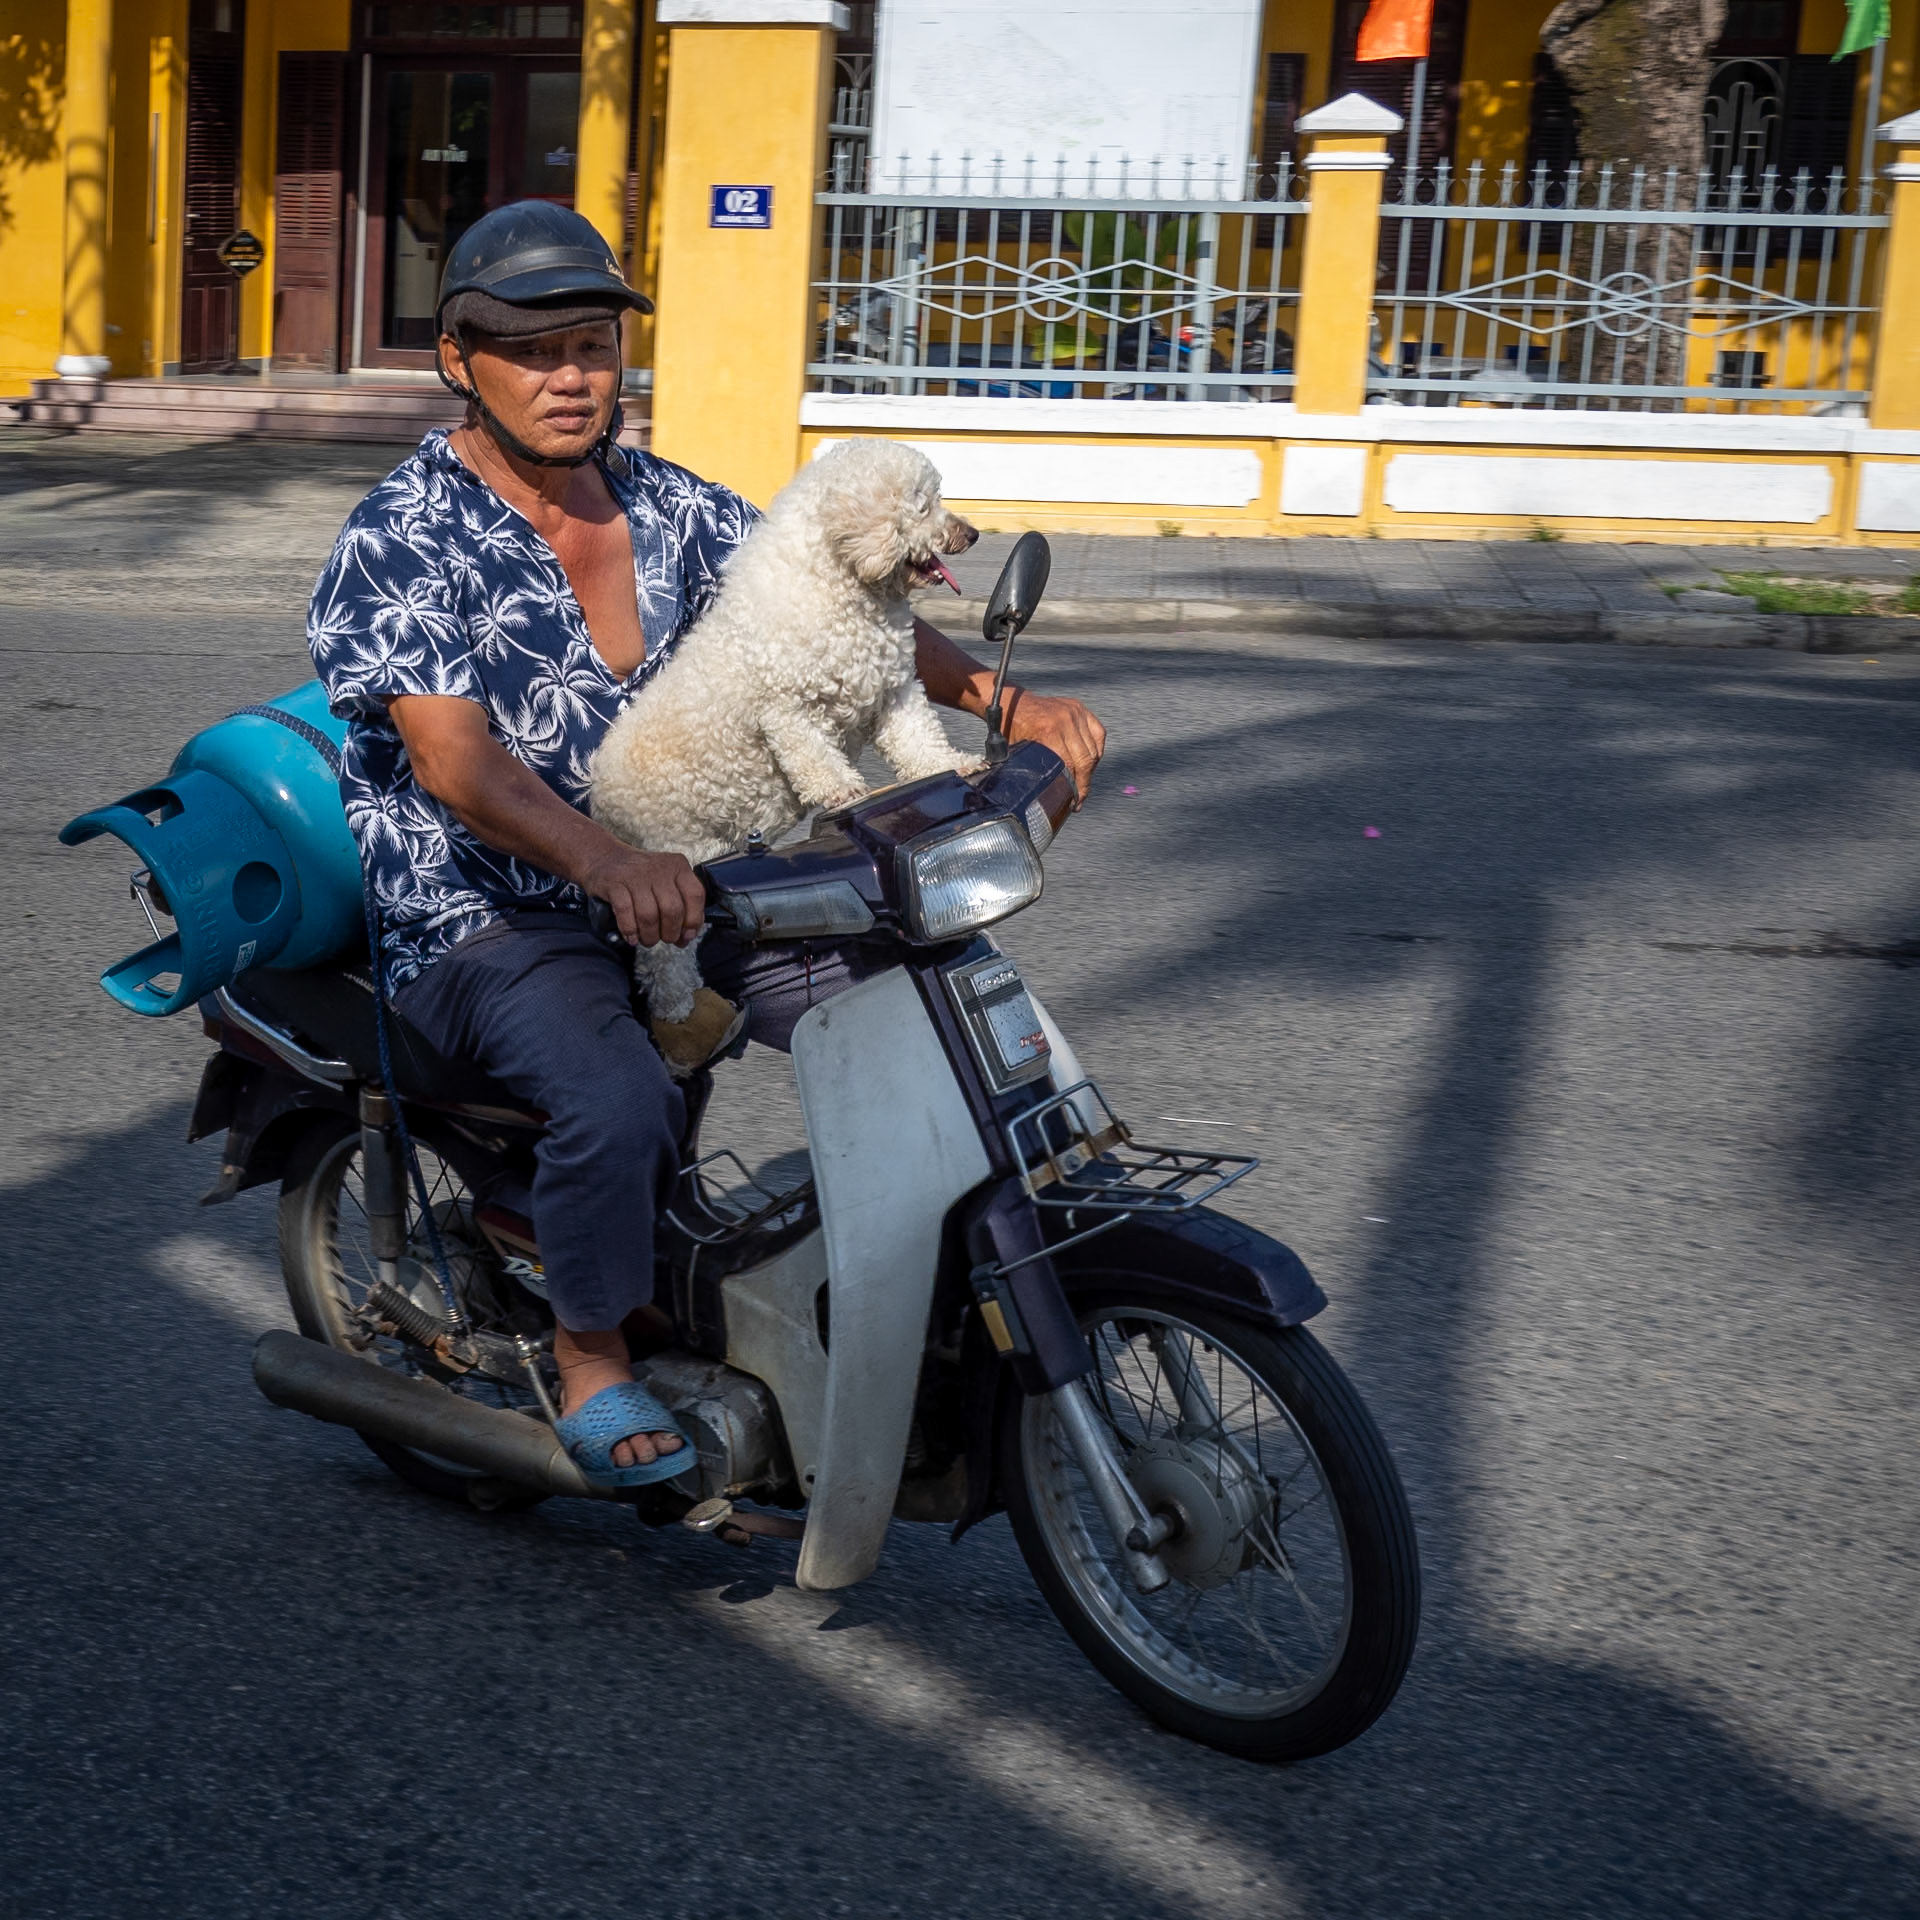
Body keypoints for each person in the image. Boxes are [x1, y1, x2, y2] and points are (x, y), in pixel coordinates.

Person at [307, 201, 1107, 1488]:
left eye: (593, 346)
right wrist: (605, 863)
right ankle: (589, 1359)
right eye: (532, 349)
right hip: (488, 909)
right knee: (616, 1088)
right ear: (460, 359)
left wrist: (1008, 707)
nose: (571, 375)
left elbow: (849, 607)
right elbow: (460, 766)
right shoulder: (401, 537)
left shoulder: (675, 505)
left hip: (690, 875)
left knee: (908, 988)